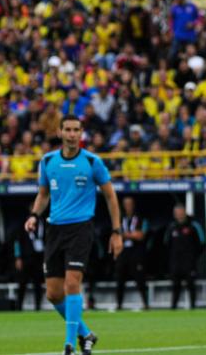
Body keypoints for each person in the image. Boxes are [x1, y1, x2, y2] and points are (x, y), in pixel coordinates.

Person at [24, 115, 123, 355]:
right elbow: (43, 194)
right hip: (54, 229)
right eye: (67, 130)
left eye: (76, 130)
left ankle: (69, 345)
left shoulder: (92, 161)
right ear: (59, 133)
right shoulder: (47, 161)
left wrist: (117, 231)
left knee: (71, 284)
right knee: (53, 293)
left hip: (80, 228)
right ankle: (86, 334)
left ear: (81, 134)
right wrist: (34, 215)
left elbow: (111, 196)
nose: (71, 134)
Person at [163, 204, 205, 310]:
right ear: (175, 214)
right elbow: (166, 243)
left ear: (185, 212)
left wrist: (193, 256)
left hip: (189, 261)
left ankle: (193, 306)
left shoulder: (193, 225)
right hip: (175, 261)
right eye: (177, 213)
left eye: (181, 212)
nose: (179, 214)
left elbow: (202, 242)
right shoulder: (172, 227)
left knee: (190, 284)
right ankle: (173, 307)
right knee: (175, 285)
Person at [115, 196, 149, 310]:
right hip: (123, 252)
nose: (128, 206)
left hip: (137, 253)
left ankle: (146, 304)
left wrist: (125, 235)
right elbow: (116, 235)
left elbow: (141, 235)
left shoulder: (140, 218)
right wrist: (132, 234)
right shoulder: (119, 218)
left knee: (140, 278)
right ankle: (119, 305)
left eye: (130, 204)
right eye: (126, 204)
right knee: (120, 278)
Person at [14, 213, 45, 311]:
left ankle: (38, 307)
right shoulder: (23, 225)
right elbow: (17, 242)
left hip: (39, 258)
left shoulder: (44, 223)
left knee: (38, 284)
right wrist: (18, 257)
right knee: (22, 283)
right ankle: (18, 307)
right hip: (26, 258)